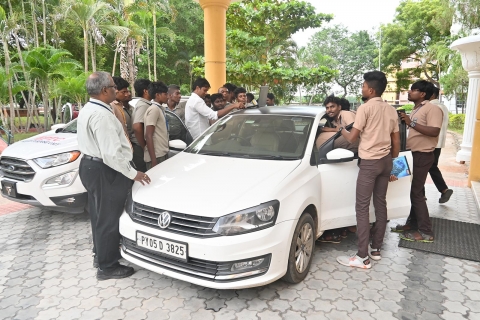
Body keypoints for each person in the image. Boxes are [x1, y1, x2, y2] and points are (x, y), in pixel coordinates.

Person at [77, 71, 151, 280]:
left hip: (91, 167)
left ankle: (100, 255)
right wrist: (133, 173)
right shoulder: (101, 115)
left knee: (99, 215)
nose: (115, 90)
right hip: (105, 169)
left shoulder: (90, 108)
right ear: (104, 91)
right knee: (108, 218)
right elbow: (111, 154)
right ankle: (107, 266)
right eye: (112, 87)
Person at [336, 71, 400, 269]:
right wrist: (392, 159)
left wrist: (341, 129)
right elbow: (396, 141)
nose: (362, 88)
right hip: (386, 160)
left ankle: (362, 257)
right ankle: (376, 249)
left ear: (371, 90)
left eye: (363, 86)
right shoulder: (391, 110)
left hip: (370, 162)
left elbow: (352, 138)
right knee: (380, 204)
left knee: (362, 208)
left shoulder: (365, 108)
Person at [394, 80, 443, 243]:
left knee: (416, 193)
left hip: (423, 155)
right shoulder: (418, 108)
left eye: (413, 90)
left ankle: (425, 231)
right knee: (415, 190)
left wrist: (411, 123)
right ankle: (412, 223)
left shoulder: (432, 109)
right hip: (412, 154)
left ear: (422, 94)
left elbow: (435, 131)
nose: (409, 92)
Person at [428, 86, 453, 203]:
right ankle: (443, 190)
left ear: (432, 95)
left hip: (429, 143)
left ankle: (443, 189)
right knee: (431, 167)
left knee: (423, 168)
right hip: (438, 144)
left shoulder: (432, 107)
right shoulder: (443, 107)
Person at [144, 82, 169, 170]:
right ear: (157, 95)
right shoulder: (154, 109)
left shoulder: (159, 108)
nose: (168, 96)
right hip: (156, 156)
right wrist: (153, 160)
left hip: (161, 153)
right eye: (165, 94)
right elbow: (148, 135)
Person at [130, 79, 152, 172]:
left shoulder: (144, 104)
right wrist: (145, 147)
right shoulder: (143, 105)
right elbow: (137, 127)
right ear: (145, 91)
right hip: (139, 147)